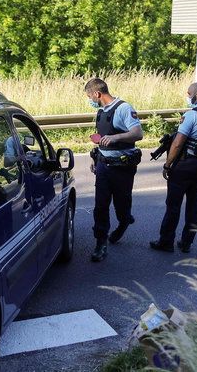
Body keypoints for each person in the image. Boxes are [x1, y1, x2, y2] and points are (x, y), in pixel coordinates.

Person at [150, 82, 197, 253]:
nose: (188, 96)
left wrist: (167, 165)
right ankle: (187, 242)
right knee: (194, 203)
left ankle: (166, 241)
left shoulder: (192, 115)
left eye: (189, 93)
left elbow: (177, 143)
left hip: (185, 164)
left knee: (173, 204)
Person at [86, 78, 143, 262]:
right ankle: (100, 243)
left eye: (89, 96)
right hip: (103, 165)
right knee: (101, 205)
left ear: (97, 93)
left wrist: (116, 138)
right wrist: (96, 157)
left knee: (121, 202)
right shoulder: (101, 111)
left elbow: (138, 133)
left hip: (122, 166)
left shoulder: (123, 108)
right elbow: (102, 139)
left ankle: (124, 221)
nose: (89, 100)